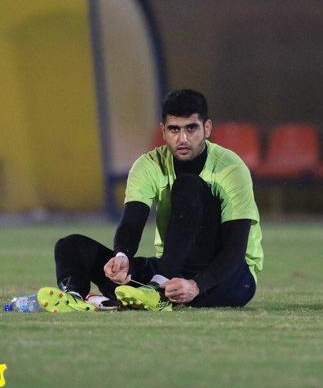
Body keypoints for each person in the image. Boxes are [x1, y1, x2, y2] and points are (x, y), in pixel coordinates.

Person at [36, 89, 263, 312]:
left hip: (228, 278)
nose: (182, 138)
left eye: (191, 128)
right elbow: (133, 221)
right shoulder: (148, 164)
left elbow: (235, 249)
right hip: (171, 270)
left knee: (188, 185)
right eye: (174, 129)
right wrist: (122, 257)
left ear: (207, 128)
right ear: (163, 131)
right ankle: (76, 297)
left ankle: (154, 291)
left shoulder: (231, 167)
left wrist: (196, 286)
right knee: (71, 245)